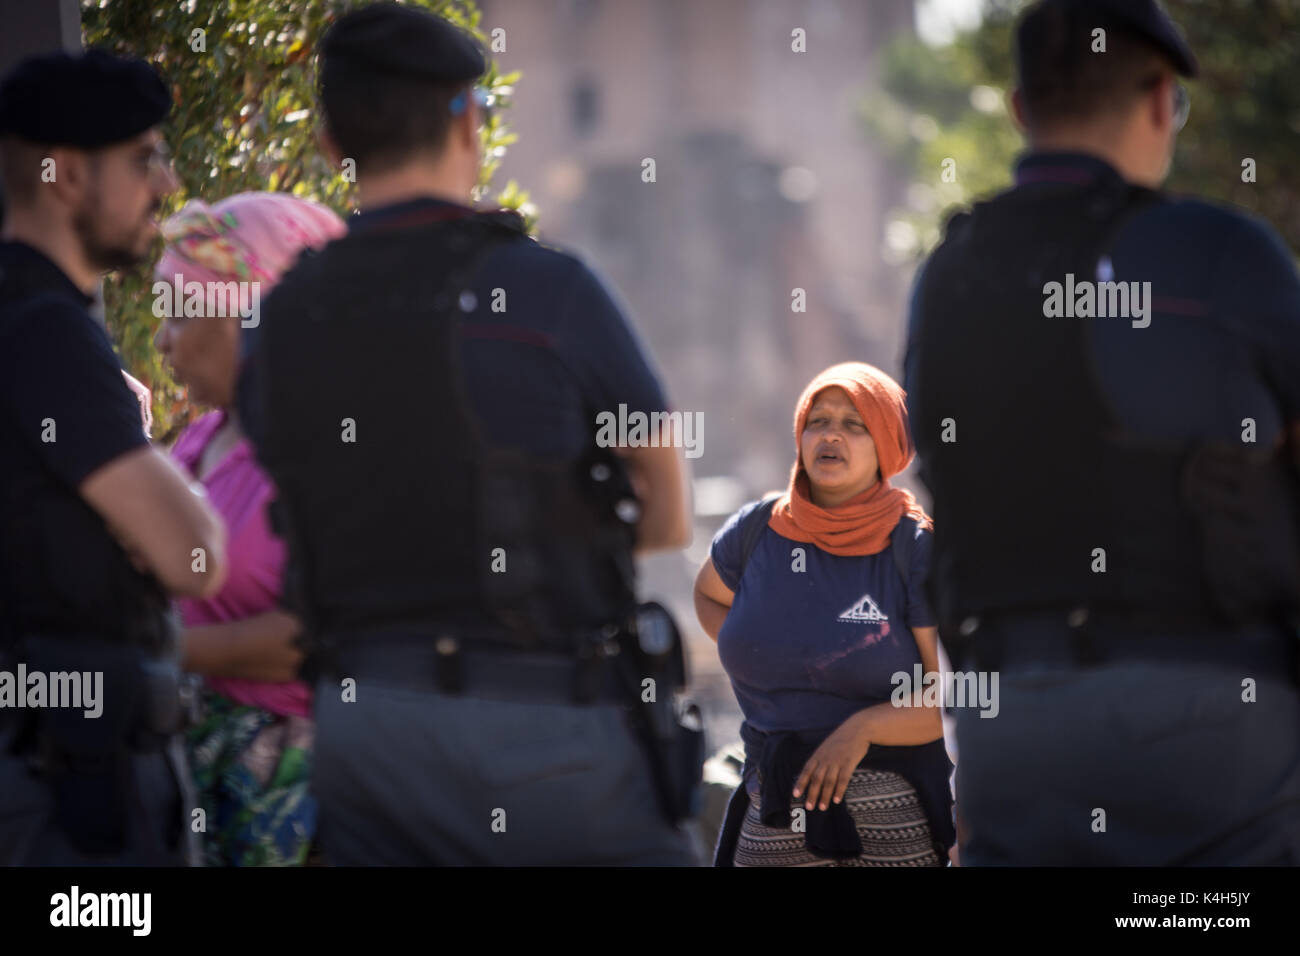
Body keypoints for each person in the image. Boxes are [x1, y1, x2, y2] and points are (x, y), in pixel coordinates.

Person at [237, 3, 696, 865]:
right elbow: (666, 518)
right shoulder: (553, 291)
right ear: (471, 123)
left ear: (332, 143)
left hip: (362, 730)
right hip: (546, 736)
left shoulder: (280, 321)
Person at [905, 0, 1300, 864]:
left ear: (1019, 111)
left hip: (1009, 715)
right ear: (1161, 101)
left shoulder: (948, 273)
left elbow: (939, 462)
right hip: (1209, 706)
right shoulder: (1224, 252)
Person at [0, 49, 227, 865]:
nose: (165, 185)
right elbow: (196, 556)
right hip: (70, 793)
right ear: (64, 177)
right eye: (144, 159)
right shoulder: (47, 332)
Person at [695, 362, 953, 866]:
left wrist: (860, 730)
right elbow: (708, 594)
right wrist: (769, 651)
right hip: (771, 808)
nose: (831, 435)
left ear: (887, 444)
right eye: (818, 421)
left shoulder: (913, 547)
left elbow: (948, 694)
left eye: (854, 424)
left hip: (894, 821)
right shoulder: (757, 530)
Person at [153, 193, 347, 865]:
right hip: (185, 768)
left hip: (293, 796)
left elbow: (312, 639)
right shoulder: (200, 438)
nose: (162, 339)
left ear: (249, 313)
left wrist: (156, 650)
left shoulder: (324, 447)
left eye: (180, 309)